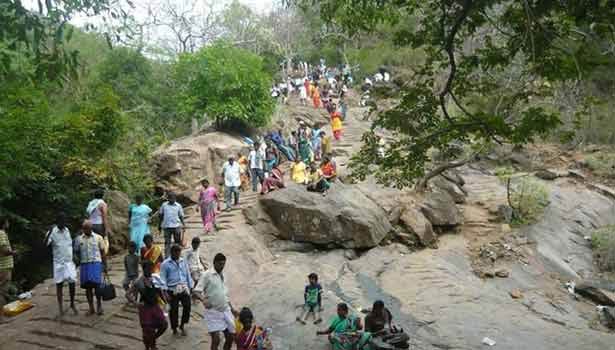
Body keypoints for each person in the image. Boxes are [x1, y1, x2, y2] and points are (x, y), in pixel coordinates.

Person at [193, 253, 237, 350]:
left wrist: (232, 309)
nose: (222, 266)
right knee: (216, 339)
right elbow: (196, 291)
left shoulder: (224, 276)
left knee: (230, 337)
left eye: (224, 264)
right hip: (213, 312)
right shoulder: (207, 275)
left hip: (225, 310)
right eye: (220, 264)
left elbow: (225, 295)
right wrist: (203, 300)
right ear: (215, 263)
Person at [128, 260, 168, 350]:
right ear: (143, 269)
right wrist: (136, 303)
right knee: (148, 330)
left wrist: (165, 301)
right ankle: (149, 347)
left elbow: (160, 290)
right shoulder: (138, 281)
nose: (150, 271)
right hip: (145, 308)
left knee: (164, 324)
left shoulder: (155, 278)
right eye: (148, 269)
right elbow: (128, 294)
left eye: (151, 269)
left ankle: (152, 340)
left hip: (155, 306)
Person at [45, 214, 78, 316]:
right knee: (59, 284)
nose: (64, 223)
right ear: (58, 221)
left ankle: (72, 304)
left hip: (68, 261)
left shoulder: (67, 230)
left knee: (72, 283)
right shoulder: (52, 232)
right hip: (58, 262)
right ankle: (60, 307)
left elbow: (69, 244)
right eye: (62, 221)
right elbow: (45, 245)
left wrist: (74, 256)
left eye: (65, 221)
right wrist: (49, 232)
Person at [74, 219, 107, 315]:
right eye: (83, 228)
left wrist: (104, 265)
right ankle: (91, 308)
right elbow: (76, 251)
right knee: (87, 287)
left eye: (87, 228)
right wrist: (78, 260)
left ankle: (99, 306)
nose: (85, 230)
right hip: (84, 264)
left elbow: (103, 252)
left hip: (96, 264)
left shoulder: (98, 238)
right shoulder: (78, 239)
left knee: (97, 287)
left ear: (91, 228)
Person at [160, 244, 193, 336]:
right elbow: (163, 279)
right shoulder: (165, 264)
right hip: (172, 289)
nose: (178, 254)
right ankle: (174, 327)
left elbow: (187, 274)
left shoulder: (183, 261)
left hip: (183, 287)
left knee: (187, 306)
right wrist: (165, 292)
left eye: (179, 252)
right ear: (172, 252)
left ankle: (183, 325)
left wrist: (190, 287)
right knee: (174, 309)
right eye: (176, 252)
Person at [159, 193, 185, 258]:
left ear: (175, 199)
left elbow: (181, 215)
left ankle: (177, 255)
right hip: (167, 226)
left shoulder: (178, 206)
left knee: (177, 242)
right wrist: (159, 225)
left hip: (176, 226)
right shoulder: (164, 205)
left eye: (173, 198)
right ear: (168, 199)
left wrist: (184, 224)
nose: (172, 200)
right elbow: (161, 215)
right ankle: (167, 256)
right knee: (167, 243)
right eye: (170, 198)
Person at [86, 189, 110, 254]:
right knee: (100, 244)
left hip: (90, 225)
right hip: (99, 225)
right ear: (102, 196)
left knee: (91, 243)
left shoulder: (90, 203)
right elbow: (104, 217)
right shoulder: (102, 204)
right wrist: (106, 229)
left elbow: (88, 215)